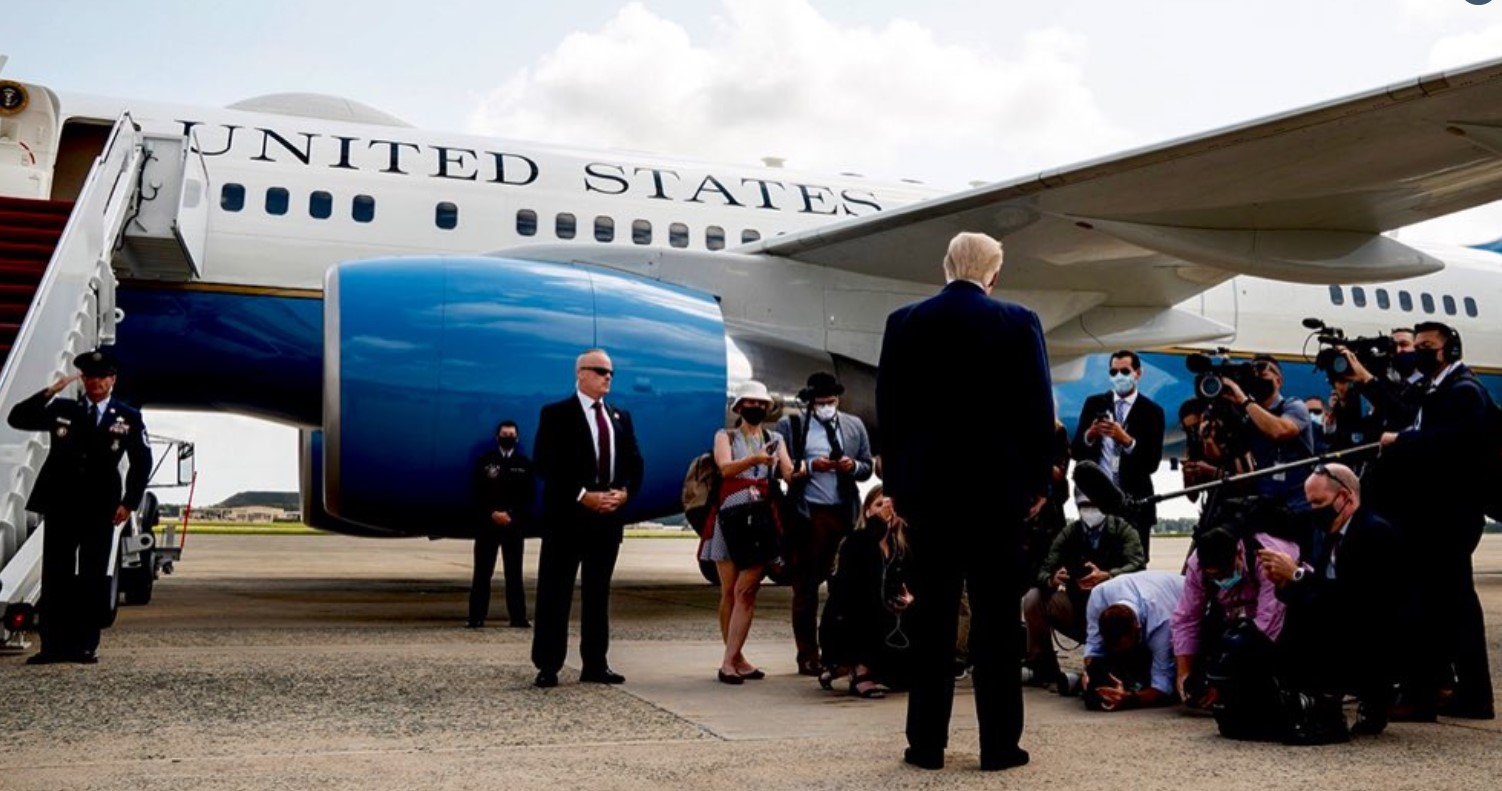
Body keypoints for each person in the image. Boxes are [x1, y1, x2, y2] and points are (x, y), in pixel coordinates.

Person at [877, 231, 1053, 772]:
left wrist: (898, 488)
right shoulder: (1019, 321)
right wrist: (1037, 486)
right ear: (993, 274)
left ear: (945, 267)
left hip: (929, 497)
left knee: (932, 621)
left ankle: (925, 745)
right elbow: (1037, 409)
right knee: (997, 624)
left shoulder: (904, 322)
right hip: (997, 498)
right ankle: (999, 746)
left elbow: (890, 412)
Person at [1373, 322, 1495, 720]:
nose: (1418, 352)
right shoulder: (1438, 389)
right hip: (1440, 513)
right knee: (1447, 605)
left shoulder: (1464, 390)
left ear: (1450, 349)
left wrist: (1401, 440)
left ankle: (1444, 695)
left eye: (1426, 346)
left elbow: (1459, 442)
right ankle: (1460, 693)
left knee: (1444, 605)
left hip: (1450, 515)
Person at [8, 349, 151, 665]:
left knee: (92, 574)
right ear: (82, 379)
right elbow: (17, 417)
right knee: (55, 574)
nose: (95, 382)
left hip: (101, 505)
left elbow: (142, 462)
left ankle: (86, 645)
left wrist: (129, 502)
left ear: (112, 380)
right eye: (89, 377)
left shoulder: (127, 416)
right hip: (61, 502)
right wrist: (50, 391)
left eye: (102, 377)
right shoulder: (63, 409)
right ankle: (52, 646)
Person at [1257, 464, 1407, 742]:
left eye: (1319, 502)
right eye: (1310, 503)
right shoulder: (1326, 535)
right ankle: (1302, 701)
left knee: (1320, 624)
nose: (1314, 510)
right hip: (1343, 623)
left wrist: (1297, 575)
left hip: (1372, 634)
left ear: (1345, 497)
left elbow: (1358, 601)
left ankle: (1337, 709)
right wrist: (1284, 582)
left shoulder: (1375, 533)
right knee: (1295, 619)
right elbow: (1318, 593)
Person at [530, 349, 644, 688]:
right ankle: (548, 665)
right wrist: (582, 495)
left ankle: (595, 664)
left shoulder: (619, 416)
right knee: (555, 592)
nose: (607, 377)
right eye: (600, 371)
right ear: (580, 373)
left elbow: (634, 462)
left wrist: (624, 493)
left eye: (610, 373)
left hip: (606, 520)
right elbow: (545, 463)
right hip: (567, 517)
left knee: (598, 594)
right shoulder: (556, 414)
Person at [776, 371, 874, 677]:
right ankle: (807, 654)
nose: (827, 407)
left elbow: (867, 466)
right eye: (821, 403)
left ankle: (840, 652)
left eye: (831, 402)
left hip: (843, 510)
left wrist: (851, 465)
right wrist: (810, 466)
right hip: (809, 512)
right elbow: (782, 469)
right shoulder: (792, 425)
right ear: (810, 402)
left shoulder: (853, 426)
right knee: (805, 586)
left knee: (844, 585)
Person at [700, 380, 794, 684]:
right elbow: (725, 468)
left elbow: (789, 473)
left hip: (759, 519)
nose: (756, 408)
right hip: (730, 517)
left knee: (747, 590)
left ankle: (730, 659)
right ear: (739, 407)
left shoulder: (775, 438)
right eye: (751, 403)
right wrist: (756, 459)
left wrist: (812, 468)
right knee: (729, 591)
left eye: (761, 404)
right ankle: (735, 656)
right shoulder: (725, 436)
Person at [1022, 491, 1144, 686]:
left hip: (1112, 607)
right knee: (1033, 598)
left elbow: (1138, 565)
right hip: (1077, 605)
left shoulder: (1123, 530)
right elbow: (1043, 569)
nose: (1090, 511)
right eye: (1084, 506)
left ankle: (1115, 670)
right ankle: (1042, 666)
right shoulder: (1069, 533)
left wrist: (1108, 575)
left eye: (1094, 505)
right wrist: (1052, 579)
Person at [1170, 526, 1295, 709]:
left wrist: (1220, 680)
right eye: (1214, 577)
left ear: (1238, 553)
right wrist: (1184, 674)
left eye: (1225, 574)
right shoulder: (1197, 564)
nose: (1222, 581)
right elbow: (1186, 618)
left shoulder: (1268, 559)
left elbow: (1266, 629)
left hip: (1290, 609)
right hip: (1239, 613)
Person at [818, 486, 914, 698]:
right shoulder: (856, 541)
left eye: (891, 507)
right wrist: (878, 524)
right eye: (879, 505)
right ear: (868, 511)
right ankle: (858, 669)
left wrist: (907, 597)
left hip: (889, 619)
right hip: (850, 616)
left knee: (905, 679)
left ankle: (841, 668)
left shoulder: (900, 546)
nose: (886, 511)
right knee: (867, 610)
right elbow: (852, 588)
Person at [1071, 350, 1165, 560]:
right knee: (1096, 565)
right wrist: (1090, 435)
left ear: (1138, 373)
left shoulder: (1152, 411)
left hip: (1134, 504)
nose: (1119, 376)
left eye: (1125, 371)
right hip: (1098, 503)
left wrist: (1127, 441)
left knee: (1133, 565)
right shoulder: (1094, 404)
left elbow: (1152, 463)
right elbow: (1076, 451)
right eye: (1114, 372)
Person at [1214, 355, 1315, 511]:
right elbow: (1242, 468)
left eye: (1263, 375)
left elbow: (1279, 431)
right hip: (1265, 500)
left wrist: (1244, 400)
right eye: (1254, 377)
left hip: (1300, 499)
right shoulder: (1246, 416)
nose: (1258, 381)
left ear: (1278, 381)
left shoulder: (1294, 405)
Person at [1081, 570, 1184, 712]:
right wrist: (1092, 675)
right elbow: (1093, 647)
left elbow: (1163, 688)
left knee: (1179, 683)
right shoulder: (1099, 595)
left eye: (1125, 647)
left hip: (1191, 604)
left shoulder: (1162, 624)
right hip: (1150, 590)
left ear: (1138, 628)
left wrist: (1128, 699)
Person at [468, 419, 535, 629]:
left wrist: (510, 514)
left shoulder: (523, 464)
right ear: (497, 437)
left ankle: (518, 617)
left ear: (517, 438)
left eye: (511, 435)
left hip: (513, 526)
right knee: (482, 573)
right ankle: (476, 617)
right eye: (505, 435)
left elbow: (529, 496)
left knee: (514, 574)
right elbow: (477, 492)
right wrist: (492, 513)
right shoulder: (486, 461)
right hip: (487, 525)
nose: (508, 438)